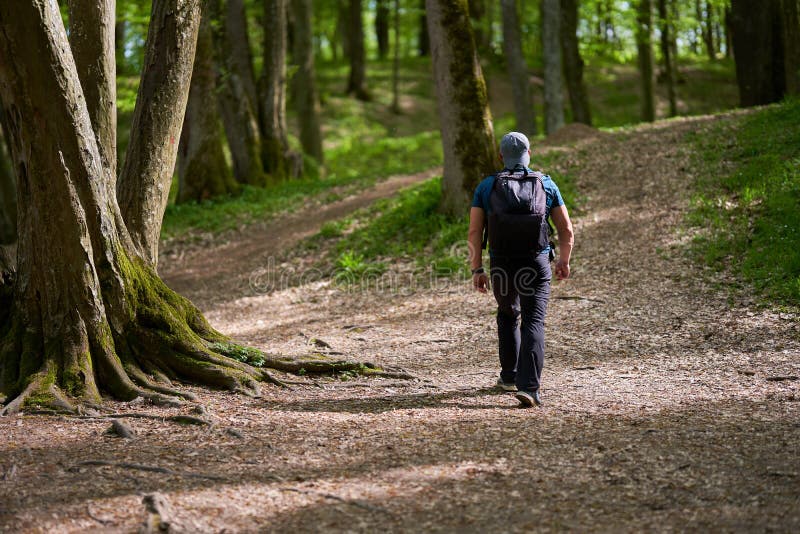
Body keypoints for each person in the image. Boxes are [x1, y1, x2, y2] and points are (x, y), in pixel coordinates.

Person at [467, 132, 574, 407]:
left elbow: (474, 231)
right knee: (533, 320)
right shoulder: (546, 183)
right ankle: (529, 387)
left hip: (502, 263)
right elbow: (566, 229)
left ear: (501, 156)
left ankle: (509, 375)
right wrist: (563, 260)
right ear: (529, 153)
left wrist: (477, 268)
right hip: (535, 263)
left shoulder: (486, 186)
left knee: (507, 313)